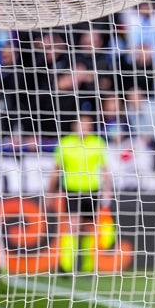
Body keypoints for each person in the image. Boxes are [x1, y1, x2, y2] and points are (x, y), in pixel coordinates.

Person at [47, 115, 112, 273]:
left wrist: (108, 191)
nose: (84, 128)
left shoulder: (98, 143)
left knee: (90, 228)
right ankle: (66, 266)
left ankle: (88, 267)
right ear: (74, 126)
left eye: (87, 125)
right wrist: (49, 192)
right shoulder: (65, 143)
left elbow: (105, 170)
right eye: (81, 124)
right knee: (72, 226)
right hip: (72, 190)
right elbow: (56, 170)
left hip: (92, 191)